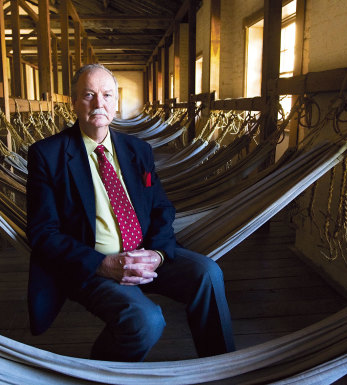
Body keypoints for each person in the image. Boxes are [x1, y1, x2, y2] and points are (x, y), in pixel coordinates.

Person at [26, 64, 235, 362]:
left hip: (146, 253)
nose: (99, 103)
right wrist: (103, 264)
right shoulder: (47, 154)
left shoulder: (138, 149)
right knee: (145, 321)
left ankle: (221, 366)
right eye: (88, 95)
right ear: (73, 102)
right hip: (94, 265)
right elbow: (42, 232)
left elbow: (161, 207)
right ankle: (100, 373)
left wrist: (159, 254)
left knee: (208, 273)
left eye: (107, 95)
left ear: (116, 102)